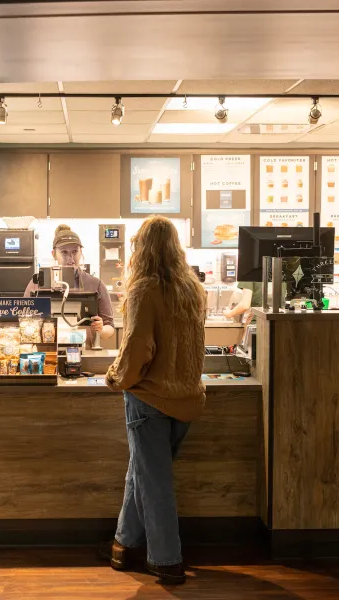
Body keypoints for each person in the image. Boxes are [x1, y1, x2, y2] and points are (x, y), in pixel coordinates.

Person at [103, 215, 207, 585]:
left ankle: (166, 560)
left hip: (150, 400)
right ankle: (124, 545)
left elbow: (137, 349)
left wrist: (116, 378)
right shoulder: (192, 289)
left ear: (140, 248)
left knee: (155, 482)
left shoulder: (144, 288)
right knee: (144, 474)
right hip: (186, 399)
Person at [24, 224, 114, 339]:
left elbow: (110, 327)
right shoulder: (37, 283)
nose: (70, 258)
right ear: (54, 254)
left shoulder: (96, 284)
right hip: (49, 351)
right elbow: (23, 319)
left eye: (75, 252)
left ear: (81, 252)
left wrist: (101, 329)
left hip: (84, 351)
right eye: (64, 252)